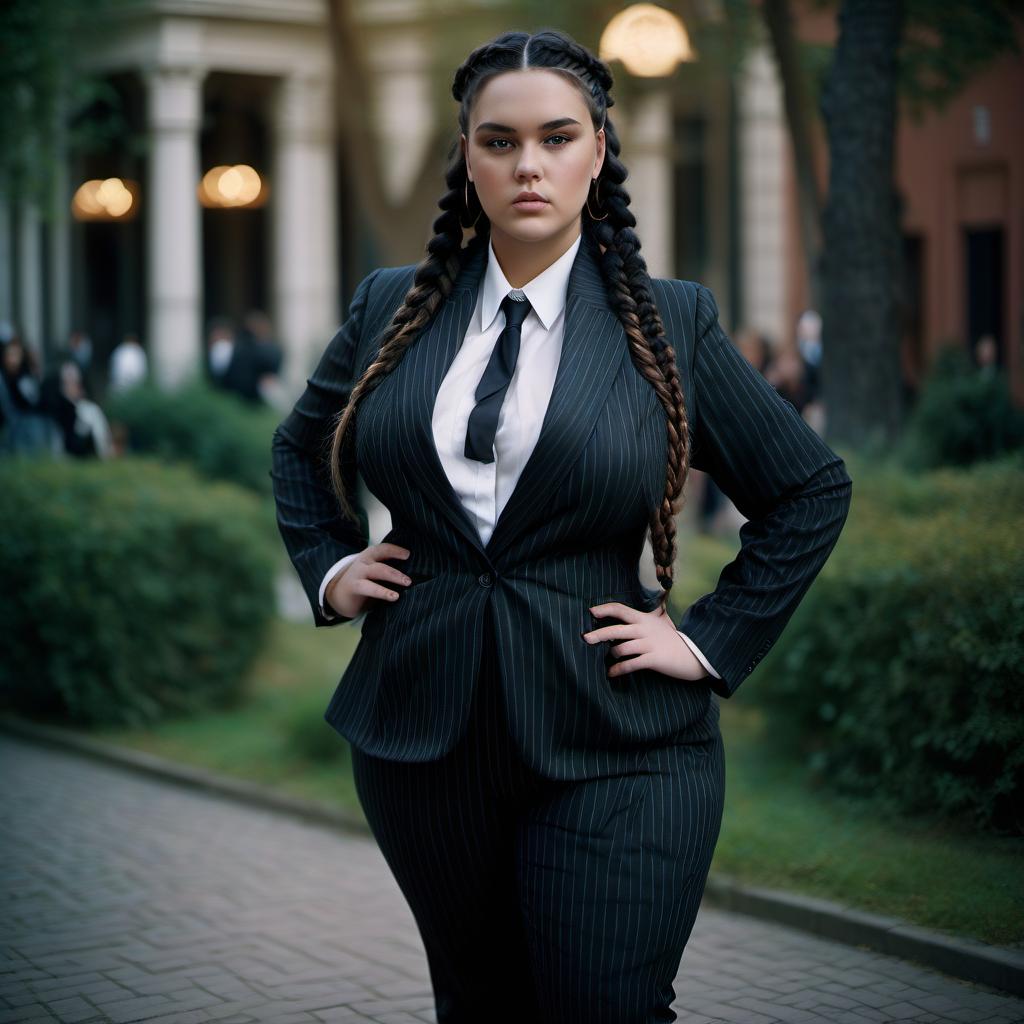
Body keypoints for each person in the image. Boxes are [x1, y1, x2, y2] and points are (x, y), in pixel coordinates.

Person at [271, 28, 852, 1024]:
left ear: (596, 150)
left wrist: (707, 639)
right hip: (426, 741)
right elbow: (298, 448)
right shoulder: (389, 308)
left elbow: (807, 489)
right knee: (482, 1004)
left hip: (616, 734)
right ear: (467, 158)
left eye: (554, 136)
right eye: (498, 141)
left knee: (601, 1003)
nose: (527, 163)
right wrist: (330, 568)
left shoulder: (672, 323)